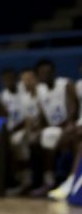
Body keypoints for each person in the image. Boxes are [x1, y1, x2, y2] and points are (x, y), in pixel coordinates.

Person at [32, 58, 77, 197]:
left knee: (53, 139)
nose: (46, 75)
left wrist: (68, 125)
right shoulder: (39, 90)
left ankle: (59, 180)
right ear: (38, 75)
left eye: (48, 72)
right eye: (42, 73)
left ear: (54, 72)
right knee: (35, 140)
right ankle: (46, 179)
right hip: (52, 127)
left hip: (67, 125)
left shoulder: (65, 84)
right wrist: (38, 129)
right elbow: (42, 114)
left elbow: (73, 109)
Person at [0, 68, 36, 194]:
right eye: (5, 80)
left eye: (11, 78)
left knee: (18, 141)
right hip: (13, 129)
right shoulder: (4, 95)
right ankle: (18, 180)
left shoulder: (24, 91)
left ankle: (27, 181)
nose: (8, 82)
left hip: (26, 128)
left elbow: (28, 117)